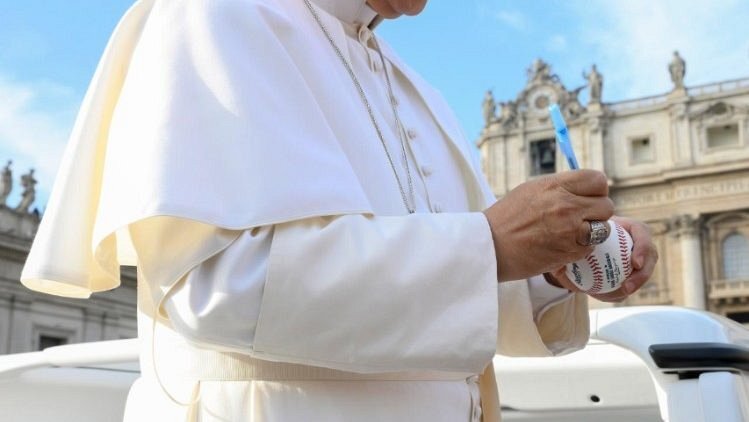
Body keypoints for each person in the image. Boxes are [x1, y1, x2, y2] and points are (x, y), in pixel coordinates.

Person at [21, 0, 658, 421]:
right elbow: (217, 286)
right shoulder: (214, 15)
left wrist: (551, 266)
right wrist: (490, 244)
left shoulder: (415, 86)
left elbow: (461, 295)